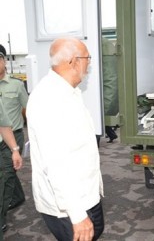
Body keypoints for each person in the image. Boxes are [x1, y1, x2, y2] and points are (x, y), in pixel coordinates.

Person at [26, 37, 104, 241]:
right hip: (69, 207)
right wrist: (78, 216)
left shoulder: (68, 92)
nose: (89, 63)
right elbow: (56, 164)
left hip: (84, 195)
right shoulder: (49, 99)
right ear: (74, 61)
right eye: (88, 58)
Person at [0, 44, 28, 231]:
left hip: (13, 137)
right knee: (7, 173)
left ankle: (1, 218)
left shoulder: (17, 84)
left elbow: (27, 109)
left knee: (6, 177)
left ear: (3, 61)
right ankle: (18, 197)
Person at [0, 92, 23, 241]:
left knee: (7, 179)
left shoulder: (17, 85)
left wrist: (15, 150)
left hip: (5, 144)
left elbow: (3, 123)